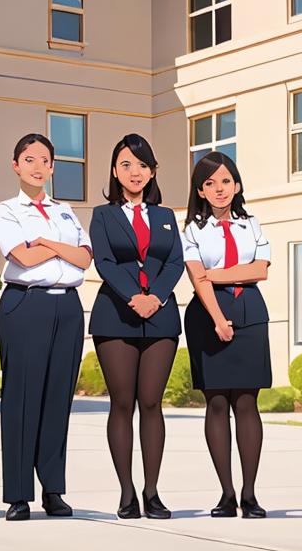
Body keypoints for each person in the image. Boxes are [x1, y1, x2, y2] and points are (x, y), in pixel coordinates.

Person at [0, 133, 93, 522]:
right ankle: (18, 495)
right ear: (16, 165)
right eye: (29, 159)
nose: (38, 167)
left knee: (57, 401)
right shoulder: (7, 210)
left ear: (53, 167)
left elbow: (85, 259)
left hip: (67, 308)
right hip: (25, 306)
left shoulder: (66, 210)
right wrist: (57, 249)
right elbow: (20, 255)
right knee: (21, 400)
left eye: (45, 160)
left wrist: (46, 244)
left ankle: (53, 489)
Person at [88, 133, 184, 519]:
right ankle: (127, 492)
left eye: (142, 165)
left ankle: (152, 491)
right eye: (126, 164)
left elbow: (175, 262)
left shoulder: (165, 216)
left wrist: (155, 297)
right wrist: (134, 297)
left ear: (153, 171)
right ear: (115, 170)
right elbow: (105, 263)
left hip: (161, 318)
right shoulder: (102, 214)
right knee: (122, 403)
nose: (135, 172)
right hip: (116, 315)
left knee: (152, 403)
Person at [182, 151, 271, 518]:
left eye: (226, 181)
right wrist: (218, 318)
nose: (220, 189)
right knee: (216, 403)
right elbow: (195, 278)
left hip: (250, 312)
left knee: (247, 403)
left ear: (237, 185)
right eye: (210, 183)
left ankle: (250, 494)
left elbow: (261, 270)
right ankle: (227, 494)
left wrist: (215, 274)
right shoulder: (191, 230)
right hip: (207, 315)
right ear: (200, 190)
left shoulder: (251, 224)